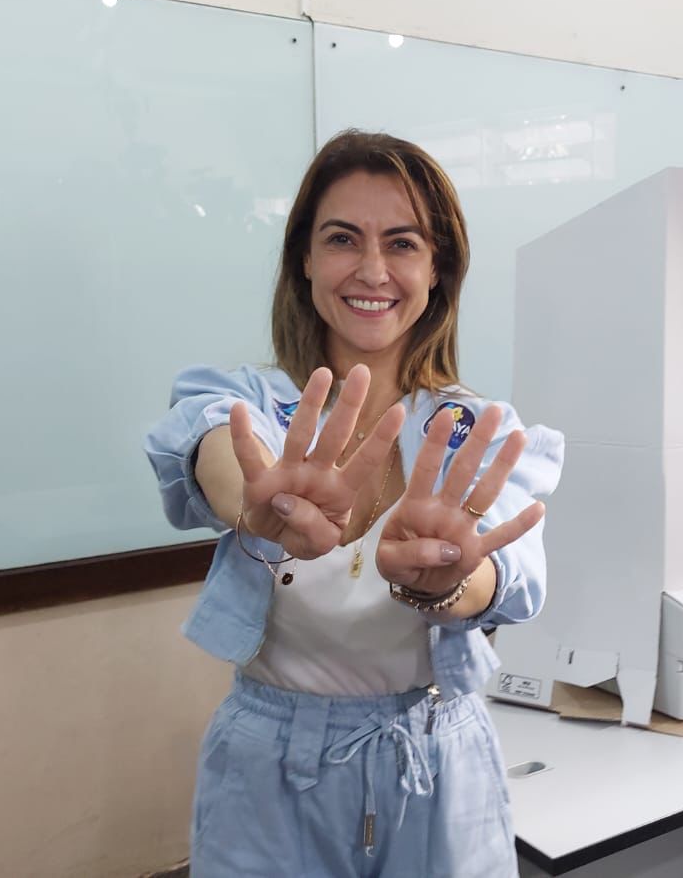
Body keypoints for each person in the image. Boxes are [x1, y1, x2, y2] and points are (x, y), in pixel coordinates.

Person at [143, 130, 563, 877]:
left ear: (438, 270)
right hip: (271, 762)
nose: (373, 269)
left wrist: (451, 580)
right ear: (304, 258)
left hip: (439, 759)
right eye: (343, 239)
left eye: (403, 243)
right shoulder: (249, 403)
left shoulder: (474, 431)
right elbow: (214, 448)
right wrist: (257, 504)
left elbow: (510, 567)